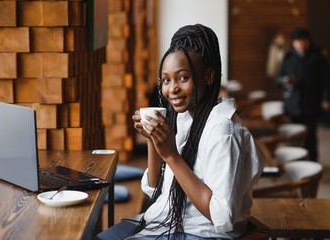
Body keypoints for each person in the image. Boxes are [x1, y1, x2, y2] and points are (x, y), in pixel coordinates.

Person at [94, 24, 265, 239]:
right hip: (167, 221)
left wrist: (171, 156)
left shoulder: (223, 131)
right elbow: (154, 188)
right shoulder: (185, 118)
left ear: (209, 77)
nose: (172, 88)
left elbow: (221, 216)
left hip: (200, 233)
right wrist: (152, 140)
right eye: (166, 80)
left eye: (183, 78)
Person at [276, 28, 330, 162]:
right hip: (293, 104)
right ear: (293, 43)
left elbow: (326, 80)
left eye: (304, 41)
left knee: (310, 135)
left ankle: (312, 163)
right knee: (294, 135)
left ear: (309, 41)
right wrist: (285, 81)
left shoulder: (317, 57)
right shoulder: (288, 57)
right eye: (298, 41)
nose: (301, 44)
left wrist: (326, 98)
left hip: (311, 102)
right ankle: (297, 162)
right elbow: (278, 78)